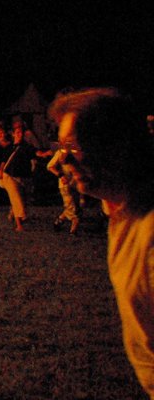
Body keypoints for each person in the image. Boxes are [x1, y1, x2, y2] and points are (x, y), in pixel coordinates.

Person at [49, 88, 154, 396]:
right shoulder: (121, 210)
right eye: (61, 146)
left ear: (116, 146)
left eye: (72, 146)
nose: (64, 159)